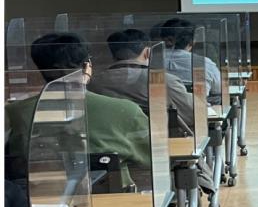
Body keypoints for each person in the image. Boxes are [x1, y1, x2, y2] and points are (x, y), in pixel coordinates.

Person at [5, 33, 151, 190]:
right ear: (87, 66)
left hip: (38, 198)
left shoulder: (13, 113)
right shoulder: (125, 110)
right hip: (113, 197)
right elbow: (152, 159)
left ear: (41, 69)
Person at [89, 29, 195, 129]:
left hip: (113, 139)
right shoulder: (164, 81)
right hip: (159, 140)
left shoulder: (93, 83)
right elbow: (192, 115)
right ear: (147, 53)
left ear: (113, 55)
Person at [159, 18, 222, 104]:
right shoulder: (206, 64)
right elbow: (218, 90)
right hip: (197, 110)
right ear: (192, 42)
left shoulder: (148, 61)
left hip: (156, 110)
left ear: (162, 40)